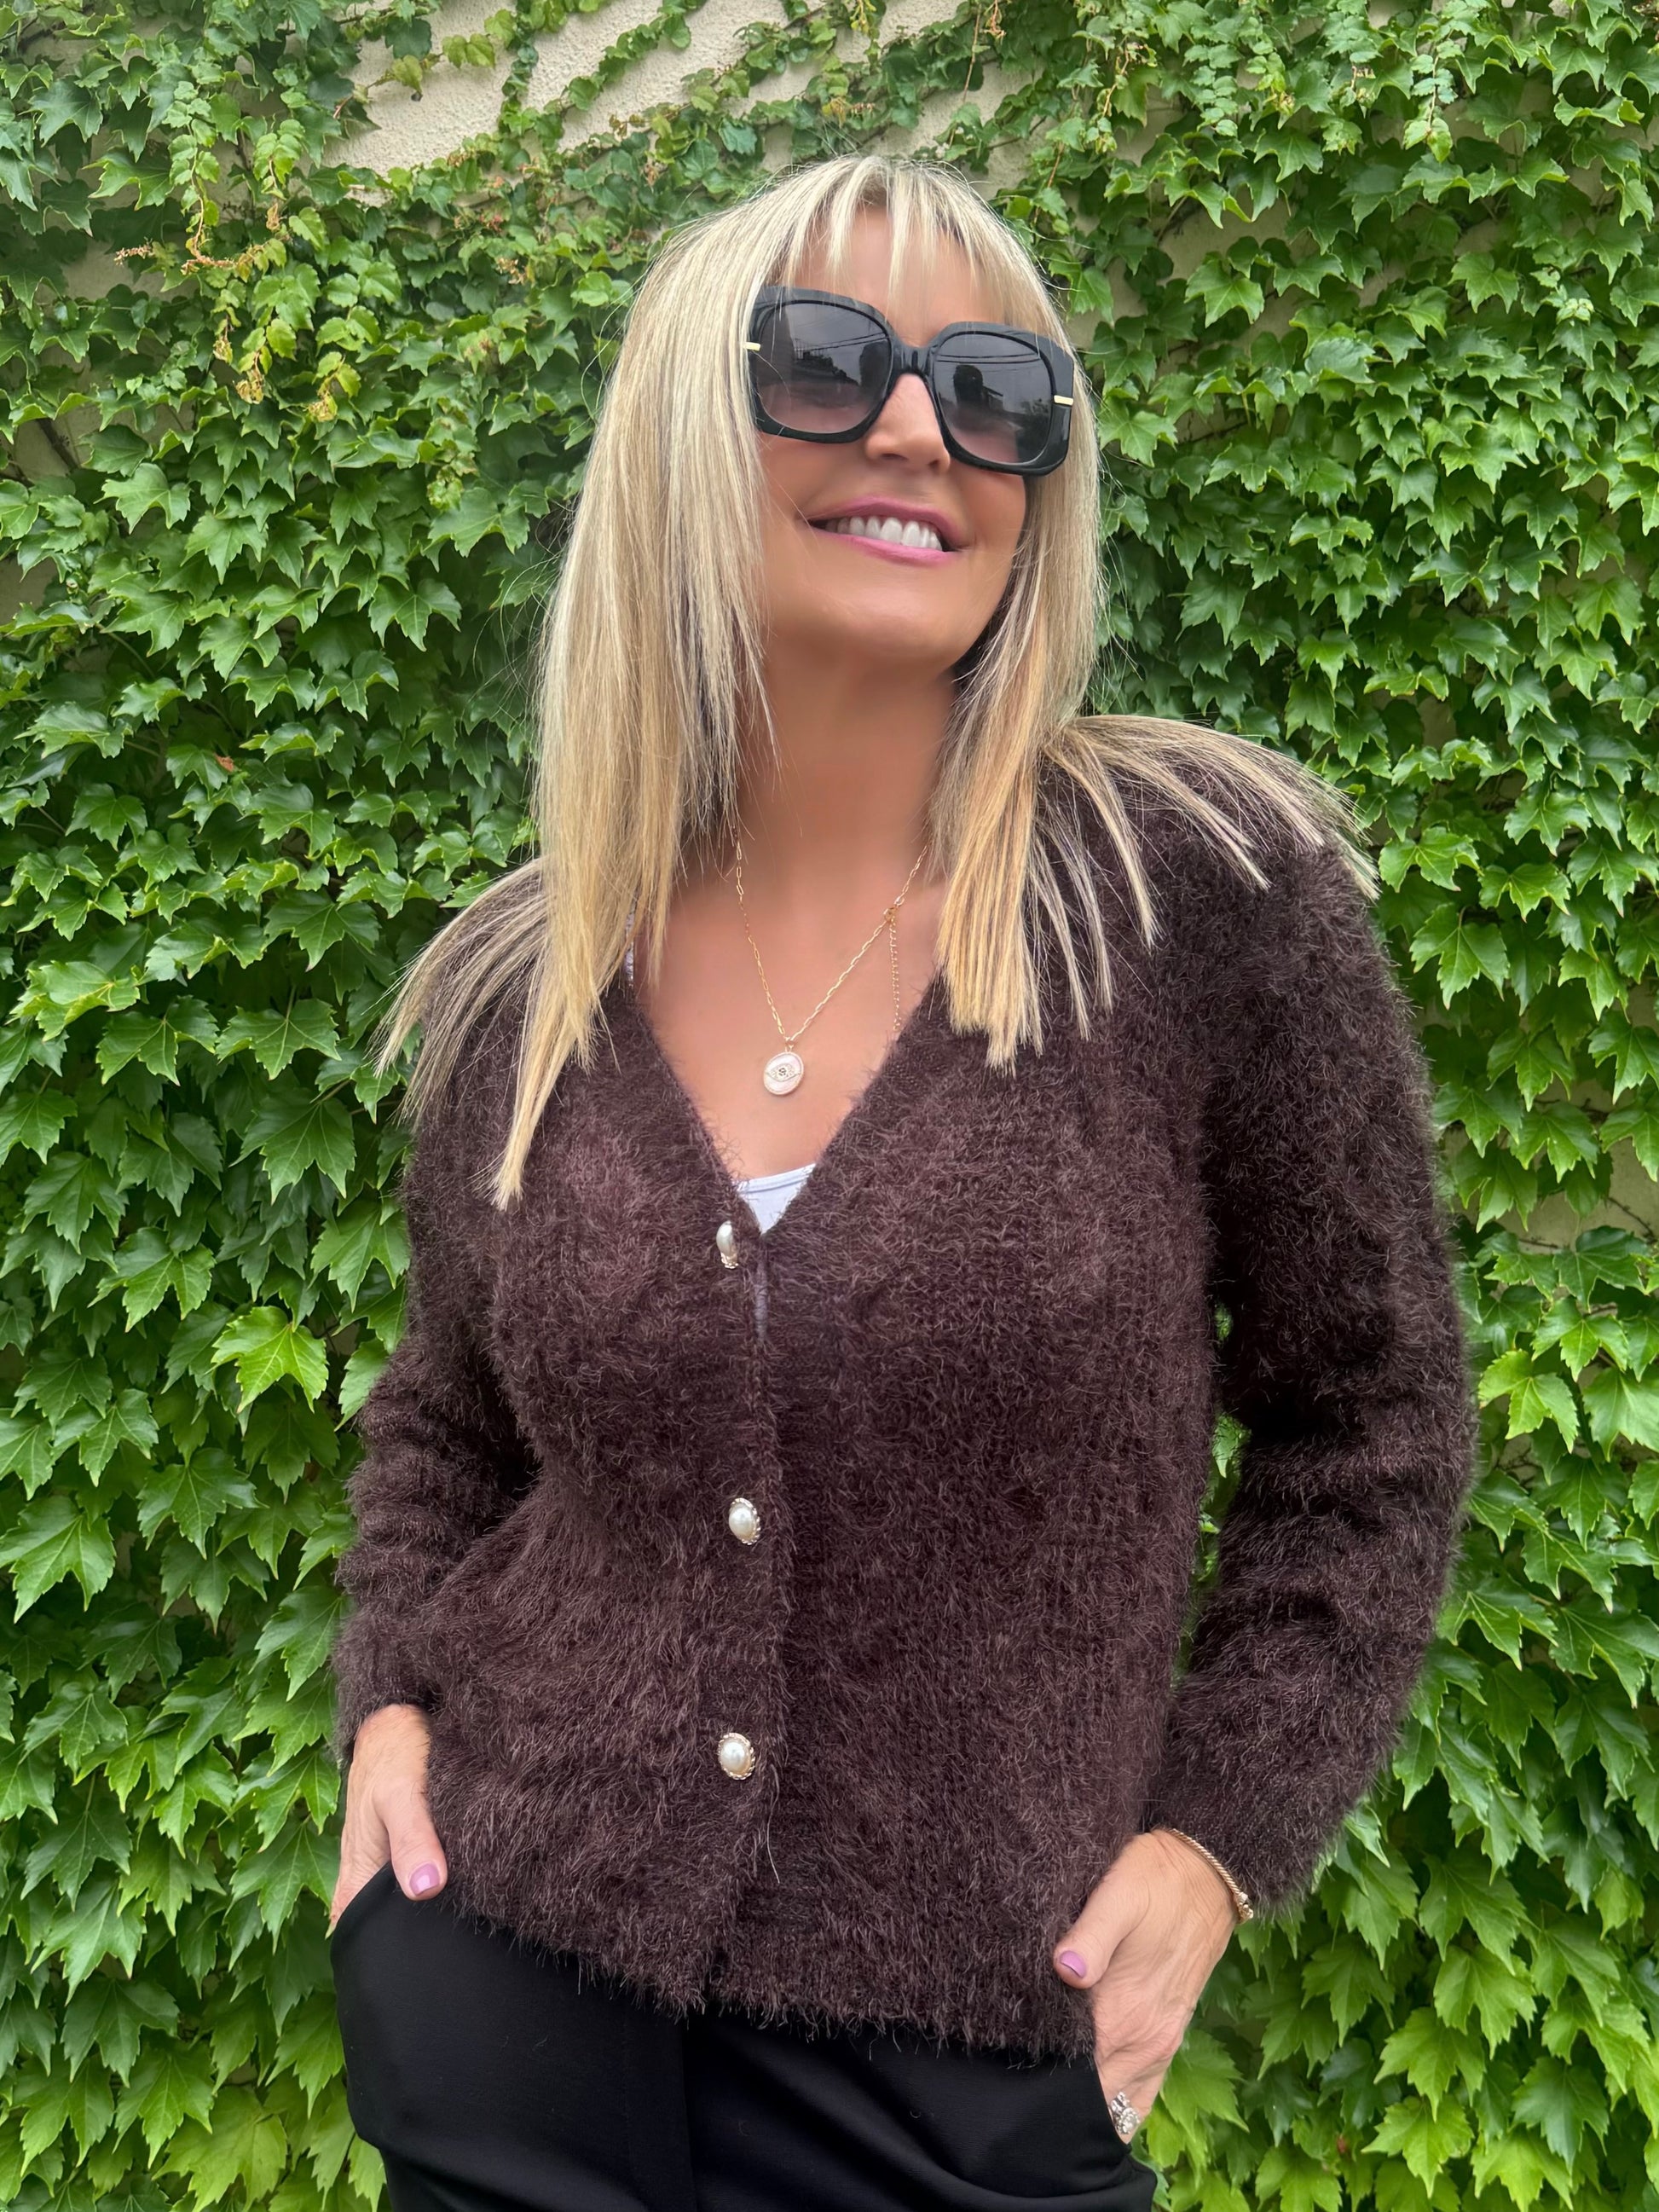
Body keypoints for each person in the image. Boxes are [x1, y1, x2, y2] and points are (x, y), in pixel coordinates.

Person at [326, 153, 1479, 2212]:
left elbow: (1373, 1420)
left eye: (995, 389)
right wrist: (386, 1716)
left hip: (967, 2074)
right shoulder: (535, 979)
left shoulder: (1197, 903)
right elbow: (445, 1423)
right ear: (683, 428)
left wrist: (1216, 1836)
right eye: (827, 360)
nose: (920, 430)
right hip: (500, 2007)